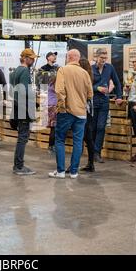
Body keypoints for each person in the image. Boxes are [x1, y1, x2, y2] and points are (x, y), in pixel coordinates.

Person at [49, 49, 93, 179]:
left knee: (60, 140)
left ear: (69, 57)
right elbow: (90, 93)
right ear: (78, 59)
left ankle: (61, 171)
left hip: (66, 111)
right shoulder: (85, 73)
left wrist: (61, 106)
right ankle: (74, 172)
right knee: (78, 142)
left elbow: (59, 90)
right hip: (81, 113)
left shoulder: (63, 70)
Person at [91, 48, 123, 163]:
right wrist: (97, 88)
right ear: (96, 57)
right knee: (93, 127)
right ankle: (92, 151)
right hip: (93, 101)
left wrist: (119, 96)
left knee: (101, 127)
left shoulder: (110, 68)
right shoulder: (91, 69)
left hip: (104, 102)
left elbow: (117, 82)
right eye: (102, 58)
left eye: (105, 58)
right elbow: (85, 85)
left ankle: (97, 153)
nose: (104, 60)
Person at [10, 49, 38, 176]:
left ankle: (18, 165)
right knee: (22, 138)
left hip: (16, 106)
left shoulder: (15, 71)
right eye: (32, 58)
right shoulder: (25, 71)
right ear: (26, 58)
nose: (33, 61)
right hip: (23, 107)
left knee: (21, 138)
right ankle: (19, 166)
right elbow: (25, 91)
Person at [78, 58, 95, 173]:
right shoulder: (89, 77)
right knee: (88, 138)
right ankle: (91, 163)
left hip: (83, 110)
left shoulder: (83, 77)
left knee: (80, 138)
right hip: (89, 111)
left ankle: (75, 165)